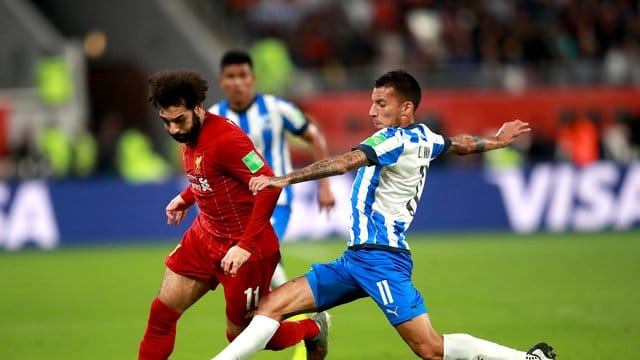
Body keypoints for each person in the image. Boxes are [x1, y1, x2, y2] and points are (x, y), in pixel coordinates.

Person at [212, 70, 557, 360]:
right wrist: (495, 142)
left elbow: (344, 162)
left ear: (406, 108)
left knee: (431, 349)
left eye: (381, 104)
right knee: (271, 307)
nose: (372, 111)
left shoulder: (392, 140)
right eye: (372, 102)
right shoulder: (425, 137)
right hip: (354, 260)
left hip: (381, 260)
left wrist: (283, 179)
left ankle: (527, 359)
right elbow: (460, 144)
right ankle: (307, 331)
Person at [138, 70, 330, 360]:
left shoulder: (226, 138)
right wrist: (186, 197)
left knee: (242, 335)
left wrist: (245, 246)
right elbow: (212, 174)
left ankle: (312, 328)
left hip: (246, 249)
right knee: (161, 313)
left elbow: (268, 184)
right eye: (167, 122)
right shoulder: (191, 136)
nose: (174, 129)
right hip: (205, 237)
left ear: (197, 108)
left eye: (179, 120)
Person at [208, 50, 336, 289]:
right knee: (253, 264)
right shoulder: (214, 117)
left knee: (254, 254)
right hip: (237, 207)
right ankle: (293, 319)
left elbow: (314, 137)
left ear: (252, 78)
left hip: (276, 200)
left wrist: (325, 185)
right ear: (222, 81)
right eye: (231, 76)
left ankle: (298, 320)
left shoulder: (277, 108)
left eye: (242, 75)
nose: (237, 82)